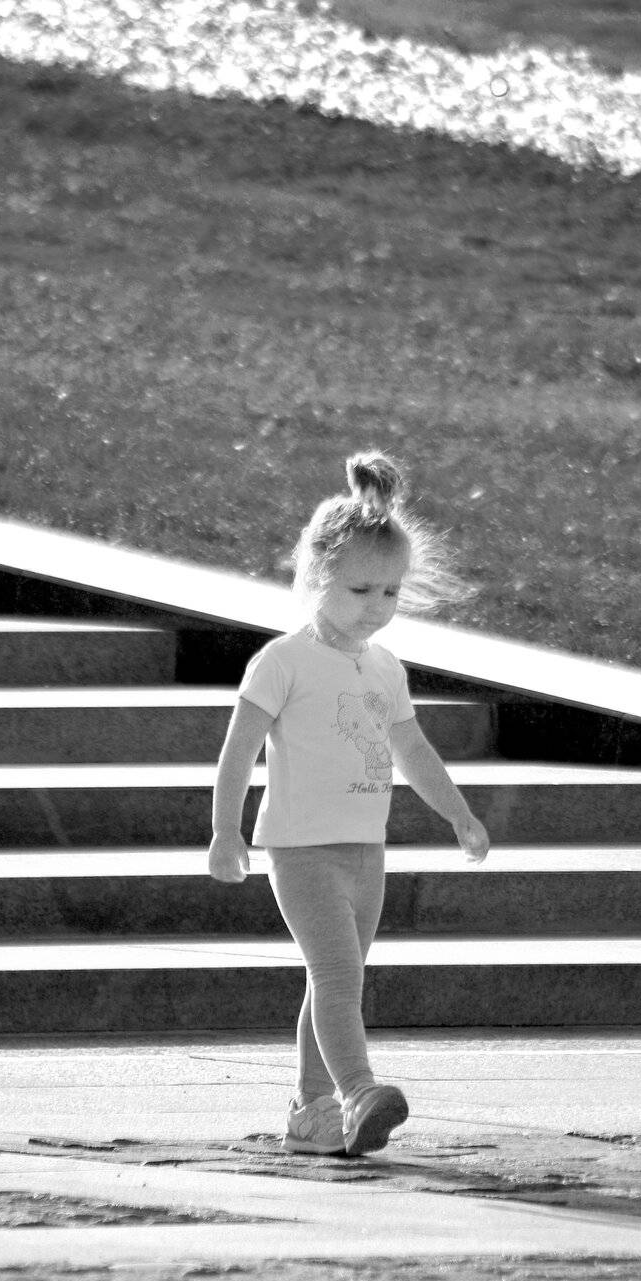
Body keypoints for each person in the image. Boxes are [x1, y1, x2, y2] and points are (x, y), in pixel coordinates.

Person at [209, 450, 490, 1158]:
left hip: (366, 851)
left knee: (334, 982)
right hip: (301, 850)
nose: (378, 606)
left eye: (391, 592)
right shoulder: (283, 660)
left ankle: (310, 1112)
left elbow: (413, 749)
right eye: (361, 589)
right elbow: (239, 750)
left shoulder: (384, 667)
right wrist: (224, 830)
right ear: (315, 577)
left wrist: (458, 813)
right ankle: (359, 1091)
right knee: (338, 977)